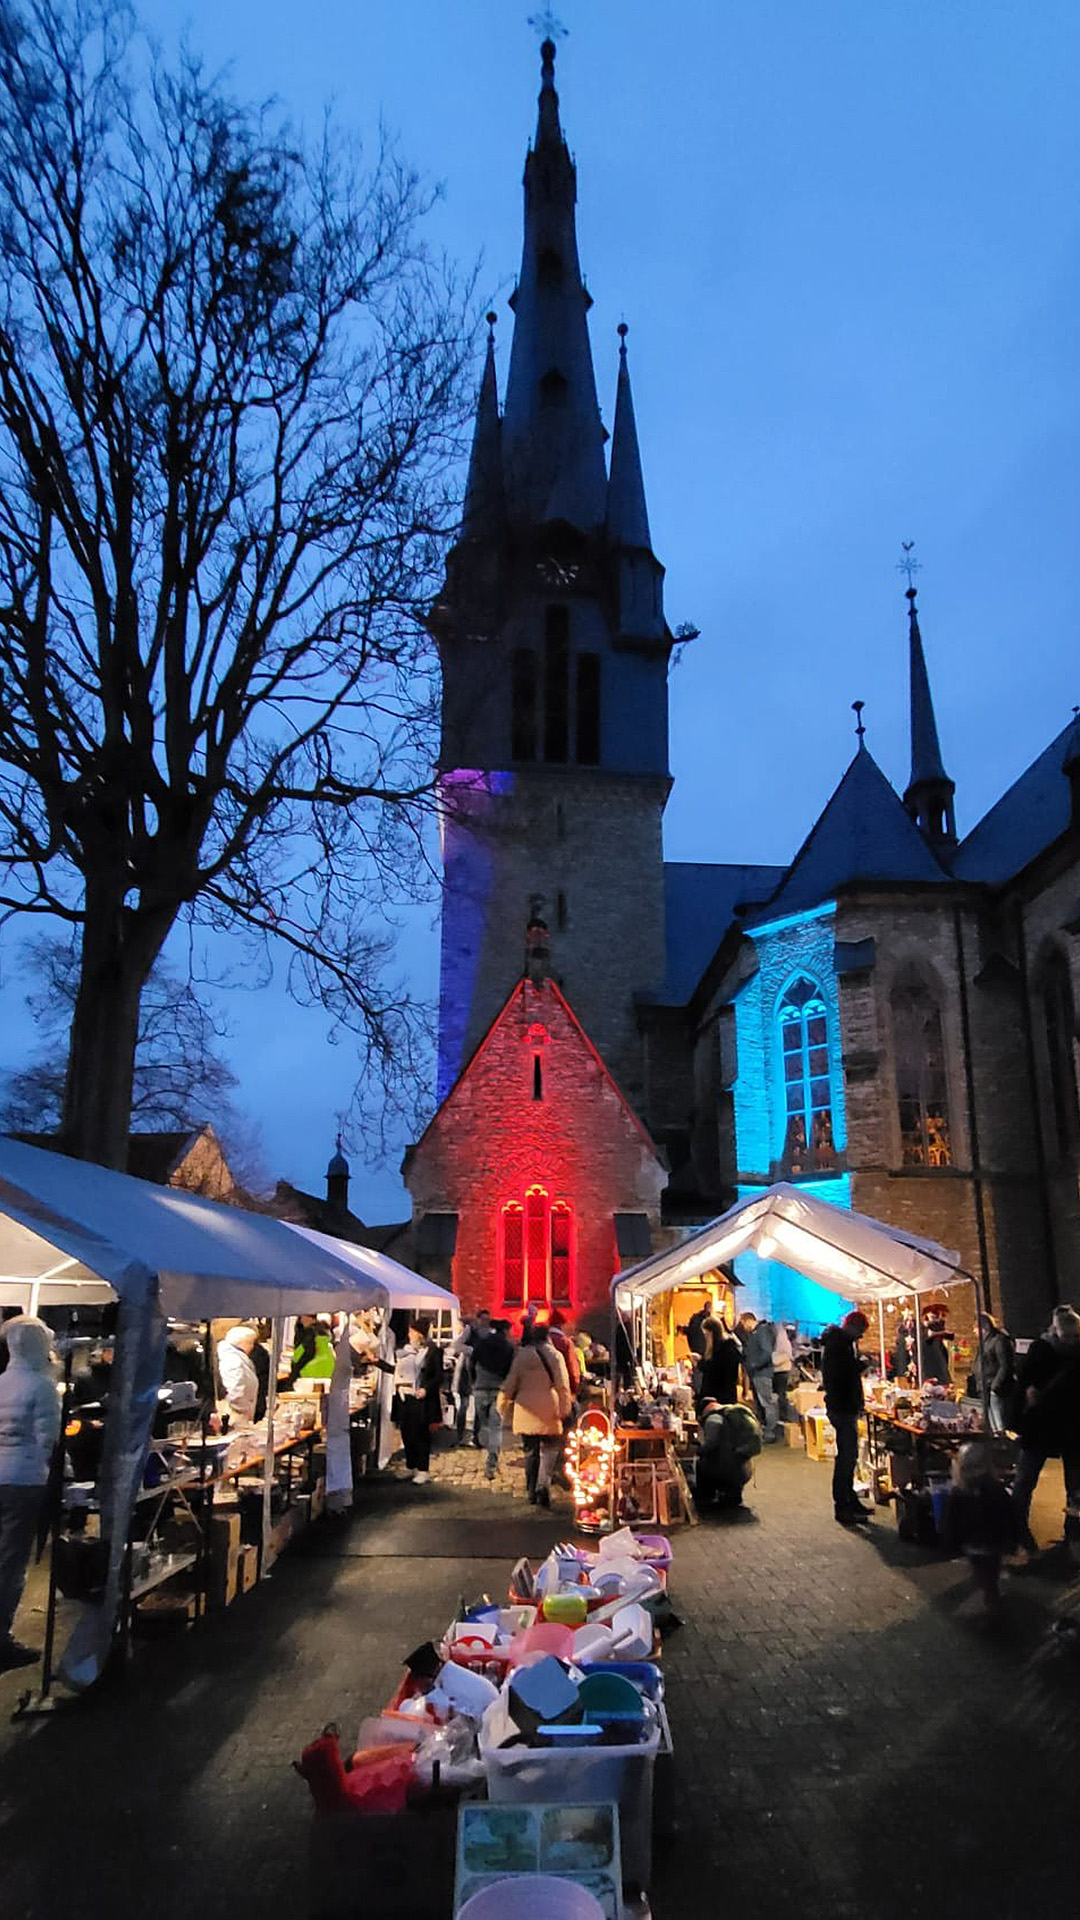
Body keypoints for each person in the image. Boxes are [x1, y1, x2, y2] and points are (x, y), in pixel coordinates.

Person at [0, 1316, 60, 1671]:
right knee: (11, 1562)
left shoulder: (1, 1383)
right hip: (25, 1480)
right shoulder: (41, 1386)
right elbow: (47, 1439)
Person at [1011, 1305, 1080, 1553]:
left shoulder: (1046, 1350)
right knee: (1028, 1480)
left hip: (1061, 1426)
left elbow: (1023, 1387)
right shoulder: (1043, 1351)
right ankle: (1021, 1530)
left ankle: (1071, 1534)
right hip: (1049, 1426)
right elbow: (1024, 1387)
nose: (1071, 1341)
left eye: (1075, 1336)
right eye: (1068, 1336)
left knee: (1069, 1486)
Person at [497, 1320, 571, 1508]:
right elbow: (563, 1386)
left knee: (530, 1452)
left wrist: (502, 1404)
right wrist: (564, 1409)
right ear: (547, 1337)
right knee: (550, 1449)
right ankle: (542, 1484)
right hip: (549, 1407)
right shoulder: (555, 1356)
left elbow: (510, 1383)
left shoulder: (521, 1356)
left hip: (526, 1409)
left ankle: (531, 1491)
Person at [942, 1443, 1018, 1615]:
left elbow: (950, 1521)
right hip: (994, 1542)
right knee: (991, 1572)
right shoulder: (997, 1490)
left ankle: (990, 1602)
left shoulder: (959, 1492)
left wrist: (950, 1542)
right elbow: (1010, 1516)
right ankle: (991, 1599)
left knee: (982, 1572)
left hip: (973, 1543)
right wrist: (1013, 1540)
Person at [822, 1310, 871, 1525]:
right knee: (846, 1458)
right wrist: (861, 1365)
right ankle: (843, 1505)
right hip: (841, 1407)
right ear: (852, 1327)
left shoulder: (840, 1344)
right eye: (860, 1331)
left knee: (849, 1457)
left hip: (842, 1406)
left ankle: (850, 1500)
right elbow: (843, 1374)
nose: (860, 1336)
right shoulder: (839, 1346)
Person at [393, 1319, 444, 1485]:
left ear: (419, 1334)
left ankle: (423, 1469)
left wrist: (426, 1389)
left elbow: (438, 1376)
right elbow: (396, 1370)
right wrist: (377, 1361)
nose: (409, 1335)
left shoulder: (433, 1351)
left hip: (422, 1399)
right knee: (406, 1433)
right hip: (405, 1396)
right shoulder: (406, 1351)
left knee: (421, 1434)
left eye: (412, 1332)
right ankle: (411, 1465)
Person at [472, 1318, 515, 1480]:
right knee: (496, 1428)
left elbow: (471, 1363)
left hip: (480, 1387)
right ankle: (491, 1464)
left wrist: (474, 1381)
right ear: (505, 1330)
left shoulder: (481, 1344)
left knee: (485, 1426)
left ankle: (486, 1452)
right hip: (498, 1390)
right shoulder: (508, 1347)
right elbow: (511, 1370)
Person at [972, 1312, 1016, 1435]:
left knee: (998, 1422)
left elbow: (1005, 1365)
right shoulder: (985, 1343)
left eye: (976, 1328)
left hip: (995, 1388)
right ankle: (997, 1439)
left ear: (984, 1327)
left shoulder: (998, 1341)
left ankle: (1003, 1441)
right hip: (985, 1387)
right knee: (992, 1422)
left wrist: (995, 1386)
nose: (974, 1332)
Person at [739, 1312, 780, 1441]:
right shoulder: (757, 1333)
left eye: (743, 1324)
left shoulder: (761, 1332)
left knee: (767, 1403)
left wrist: (754, 1364)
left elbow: (767, 1352)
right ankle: (766, 1430)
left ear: (747, 1321)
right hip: (758, 1373)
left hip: (761, 1374)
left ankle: (770, 1432)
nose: (743, 1328)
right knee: (763, 1403)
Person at [218, 1326, 261, 1422]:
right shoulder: (233, 1360)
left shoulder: (235, 1357)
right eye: (250, 1343)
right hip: (235, 1414)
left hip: (240, 1412)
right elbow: (234, 1388)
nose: (252, 1347)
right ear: (242, 1343)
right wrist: (242, 1410)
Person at [695, 1317, 741, 1408]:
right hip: (725, 1393)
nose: (705, 1337)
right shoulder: (728, 1347)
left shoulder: (723, 1348)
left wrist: (700, 1363)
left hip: (720, 1395)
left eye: (706, 1334)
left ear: (711, 1332)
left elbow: (713, 1370)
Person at [772, 1320, 795, 1424]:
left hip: (780, 1370)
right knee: (781, 1394)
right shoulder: (783, 1339)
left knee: (780, 1394)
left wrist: (771, 1361)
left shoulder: (780, 1338)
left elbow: (784, 1354)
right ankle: (781, 1416)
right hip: (782, 1369)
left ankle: (782, 1416)